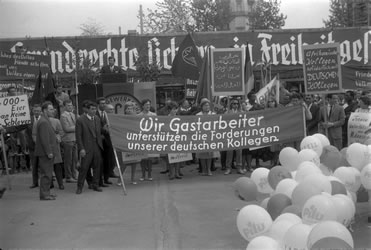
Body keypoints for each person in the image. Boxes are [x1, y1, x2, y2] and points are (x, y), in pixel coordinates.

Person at [75, 101, 104, 194]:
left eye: (95, 109)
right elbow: (78, 136)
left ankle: (95, 185)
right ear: (87, 110)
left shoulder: (97, 119)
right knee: (84, 168)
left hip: (97, 146)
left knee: (97, 166)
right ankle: (79, 187)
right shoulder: (80, 120)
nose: (94, 111)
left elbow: (99, 132)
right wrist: (81, 148)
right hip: (86, 147)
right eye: (92, 109)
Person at [34, 101, 58, 201]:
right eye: (51, 109)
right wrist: (49, 152)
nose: (53, 111)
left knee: (48, 173)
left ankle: (46, 193)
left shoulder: (45, 120)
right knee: (46, 174)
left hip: (46, 152)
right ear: (44, 110)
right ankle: (44, 195)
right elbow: (44, 139)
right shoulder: (43, 122)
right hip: (45, 153)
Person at [117, 101, 139, 185]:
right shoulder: (121, 119)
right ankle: (120, 179)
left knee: (134, 161)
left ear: (134, 110)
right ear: (125, 110)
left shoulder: (136, 119)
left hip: (134, 142)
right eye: (128, 108)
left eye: (131, 108)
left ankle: (133, 179)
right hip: (124, 142)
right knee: (124, 163)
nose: (129, 110)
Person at [96, 97, 116, 186]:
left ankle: (106, 178)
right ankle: (99, 180)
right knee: (100, 162)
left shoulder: (107, 114)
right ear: (98, 104)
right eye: (101, 103)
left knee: (108, 160)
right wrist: (101, 131)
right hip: (99, 141)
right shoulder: (95, 114)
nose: (103, 105)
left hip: (108, 141)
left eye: (104, 103)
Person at [138, 99, 156, 181]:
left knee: (149, 158)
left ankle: (149, 174)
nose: (148, 106)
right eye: (146, 104)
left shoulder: (153, 115)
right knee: (143, 158)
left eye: (149, 104)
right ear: (142, 106)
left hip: (150, 138)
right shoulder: (138, 115)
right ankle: (142, 174)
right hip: (142, 139)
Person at [224, 98, 244, 175]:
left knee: (239, 152)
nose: (235, 105)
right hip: (230, 134)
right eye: (233, 103)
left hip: (239, 134)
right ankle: (228, 168)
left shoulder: (242, 112)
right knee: (229, 152)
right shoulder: (227, 112)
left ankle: (239, 167)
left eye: (236, 103)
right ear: (231, 104)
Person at [60, 99, 78, 183]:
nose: (70, 107)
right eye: (68, 105)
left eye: (71, 105)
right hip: (67, 140)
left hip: (74, 139)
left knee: (75, 159)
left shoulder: (74, 115)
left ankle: (74, 174)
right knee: (68, 159)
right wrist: (77, 127)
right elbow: (66, 129)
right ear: (64, 107)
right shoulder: (63, 116)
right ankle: (68, 176)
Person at [196, 98, 215, 176]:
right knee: (202, 154)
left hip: (210, 136)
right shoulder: (198, 115)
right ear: (202, 106)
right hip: (201, 136)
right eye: (205, 105)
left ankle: (209, 169)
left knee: (209, 154)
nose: (207, 107)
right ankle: (204, 170)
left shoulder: (213, 114)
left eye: (208, 105)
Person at [49, 108, 65, 190]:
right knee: (48, 166)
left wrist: (58, 136)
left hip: (55, 146)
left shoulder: (56, 121)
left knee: (57, 166)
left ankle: (60, 183)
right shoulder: (40, 121)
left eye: (53, 110)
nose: (52, 112)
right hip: (46, 146)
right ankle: (50, 183)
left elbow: (61, 132)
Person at [27, 104, 42, 189]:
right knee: (34, 165)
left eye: (38, 111)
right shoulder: (28, 120)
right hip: (32, 146)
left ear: (41, 111)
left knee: (42, 165)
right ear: (32, 111)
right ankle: (35, 182)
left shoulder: (44, 119)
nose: (37, 112)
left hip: (42, 146)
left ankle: (43, 183)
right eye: (35, 111)